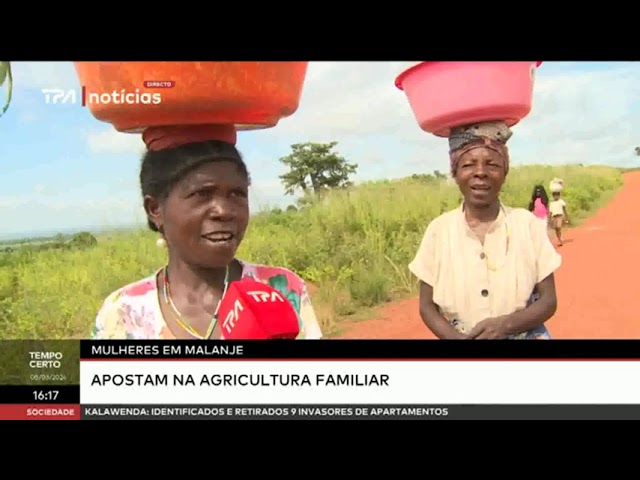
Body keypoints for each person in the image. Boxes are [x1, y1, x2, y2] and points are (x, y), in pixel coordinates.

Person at [91, 124, 323, 340]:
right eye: (202, 194)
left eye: (237, 194)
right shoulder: (122, 313)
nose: (224, 211)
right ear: (155, 209)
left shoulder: (280, 289)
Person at [408, 121, 562, 340]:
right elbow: (426, 306)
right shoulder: (439, 231)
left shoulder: (527, 225)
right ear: (455, 172)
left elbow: (549, 301)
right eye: (469, 164)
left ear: (505, 172)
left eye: (492, 164)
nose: (480, 172)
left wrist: (506, 326)